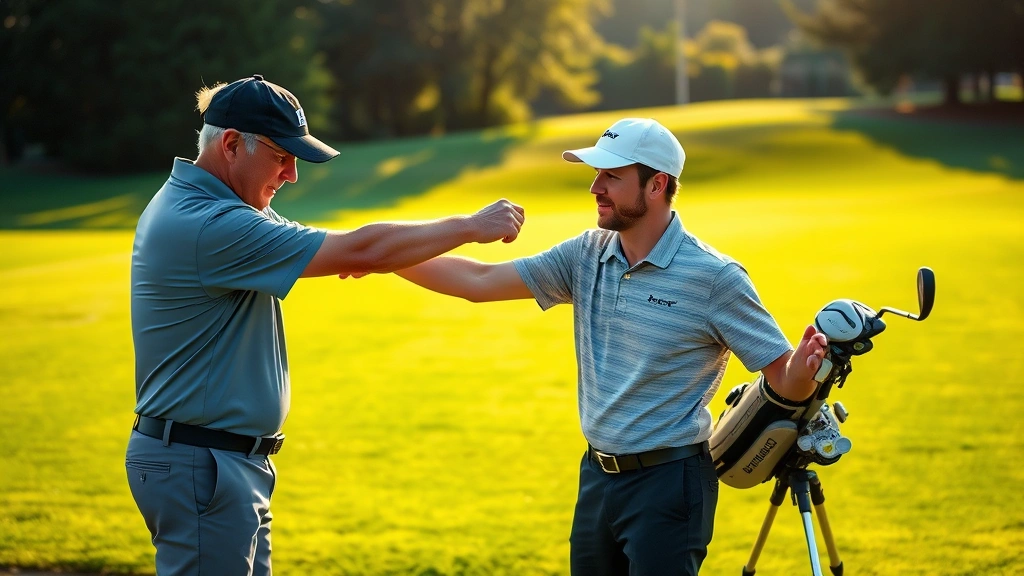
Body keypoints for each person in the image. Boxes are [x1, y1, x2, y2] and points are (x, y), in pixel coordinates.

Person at [382, 118, 828, 575]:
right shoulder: (587, 254)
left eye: (612, 176)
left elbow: (781, 377)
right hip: (597, 476)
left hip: (669, 483)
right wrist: (384, 258)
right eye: (596, 174)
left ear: (657, 185)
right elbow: (478, 280)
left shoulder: (714, 277)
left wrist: (805, 367)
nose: (596, 187)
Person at [126, 74, 525, 576]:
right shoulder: (210, 223)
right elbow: (361, 248)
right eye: (281, 156)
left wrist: (449, 268)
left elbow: (362, 250)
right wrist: (471, 226)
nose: (292, 174)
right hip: (202, 463)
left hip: (219, 461)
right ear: (231, 144)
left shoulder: (230, 209)